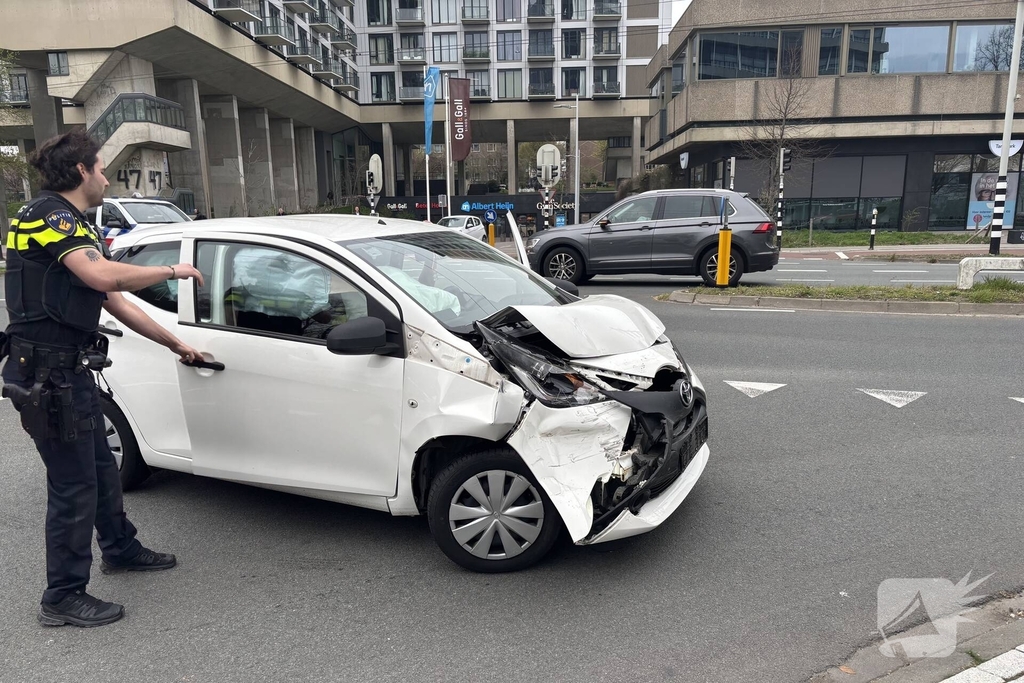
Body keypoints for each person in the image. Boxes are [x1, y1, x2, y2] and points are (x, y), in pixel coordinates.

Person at [1, 130, 205, 628]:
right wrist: (173, 271)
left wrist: (176, 344)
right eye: (100, 167)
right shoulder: (45, 215)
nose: (105, 177)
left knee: (99, 470)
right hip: (46, 376)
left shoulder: (74, 224)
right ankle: (63, 596)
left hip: (68, 372)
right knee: (73, 486)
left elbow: (113, 299)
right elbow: (104, 278)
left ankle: (120, 547)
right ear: (81, 172)